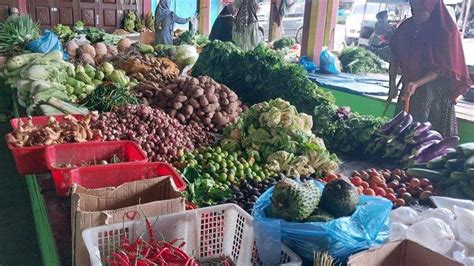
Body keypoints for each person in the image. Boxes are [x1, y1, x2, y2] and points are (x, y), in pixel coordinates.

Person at [389, 0, 472, 137]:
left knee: (423, 97)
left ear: (432, 9)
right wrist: (392, 84)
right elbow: (395, 55)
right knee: (401, 119)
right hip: (411, 80)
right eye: (413, 10)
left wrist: (417, 84)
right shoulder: (406, 26)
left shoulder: (446, 30)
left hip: (436, 83)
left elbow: (442, 68)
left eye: (421, 11)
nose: (415, 15)